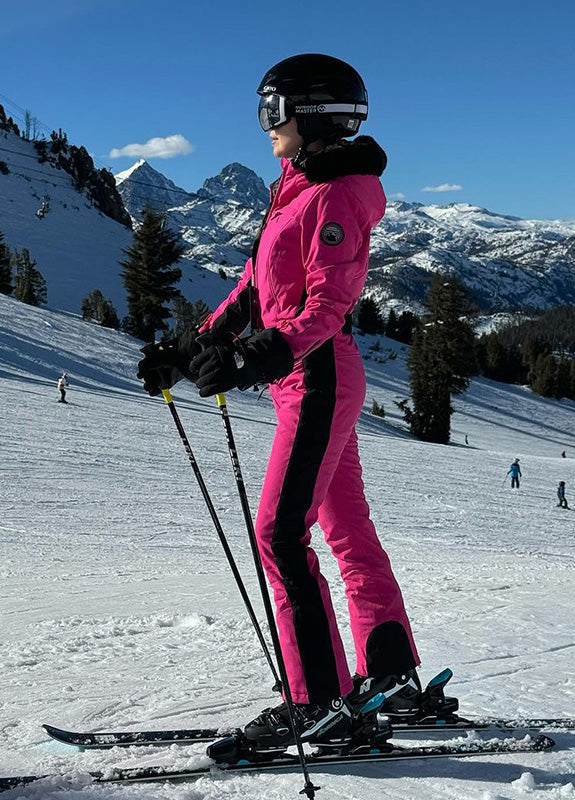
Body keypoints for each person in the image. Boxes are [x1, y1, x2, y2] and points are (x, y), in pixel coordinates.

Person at [137, 53, 428, 752]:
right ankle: (389, 675)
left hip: (318, 375)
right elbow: (253, 288)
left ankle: (317, 704)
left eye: (273, 110)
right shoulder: (294, 189)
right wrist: (196, 347)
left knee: (278, 533)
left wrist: (263, 353)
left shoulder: (335, 196)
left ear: (311, 115)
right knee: (345, 527)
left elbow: (328, 302)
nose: (265, 124)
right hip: (308, 376)